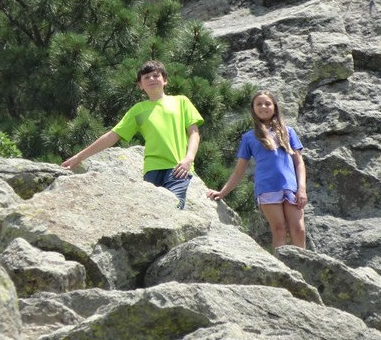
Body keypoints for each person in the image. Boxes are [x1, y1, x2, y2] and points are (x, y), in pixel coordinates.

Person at [62, 60, 203, 209]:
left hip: (178, 167)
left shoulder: (181, 102)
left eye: (156, 75)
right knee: (153, 211)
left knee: (174, 206)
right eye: (146, 77)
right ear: (140, 85)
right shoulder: (139, 111)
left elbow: (194, 133)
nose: (152, 79)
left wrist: (189, 159)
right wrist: (79, 157)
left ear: (165, 80)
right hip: (152, 170)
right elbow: (112, 136)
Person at [207, 90, 307, 250]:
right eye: (258, 104)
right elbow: (239, 171)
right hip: (267, 189)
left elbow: (299, 163)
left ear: (274, 106)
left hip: (291, 188)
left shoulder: (288, 132)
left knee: (299, 230)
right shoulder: (249, 137)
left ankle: (303, 268)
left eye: (267, 103)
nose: (263, 107)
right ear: (253, 109)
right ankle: (282, 271)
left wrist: (301, 188)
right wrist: (222, 192)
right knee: (279, 230)